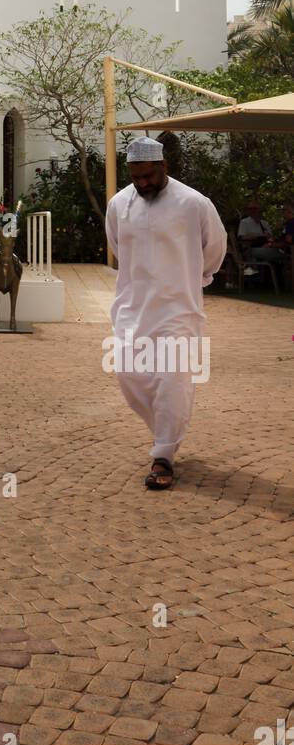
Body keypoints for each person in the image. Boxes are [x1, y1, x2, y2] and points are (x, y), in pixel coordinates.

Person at [105, 138, 227, 490]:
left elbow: (214, 249)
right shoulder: (118, 204)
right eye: (136, 177)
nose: (143, 183)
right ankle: (164, 429)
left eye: (148, 176)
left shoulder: (194, 203)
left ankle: (164, 455)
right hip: (131, 306)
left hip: (179, 308)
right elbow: (118, 247)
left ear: (163, 166)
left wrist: (192, 279)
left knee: (173, 380)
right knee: (129, 375)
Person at [237, 200, 285, 274]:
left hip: (267, 246)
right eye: (250, 209)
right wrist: (258, 236)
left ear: (259, 210)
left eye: (255, 208)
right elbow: (242, 237)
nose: (252, 211)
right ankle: (255, 276)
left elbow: (270, 237)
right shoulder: (244, 222)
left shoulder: (264, 223)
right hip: (251, 248)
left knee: (280, 253)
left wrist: (269, 241)